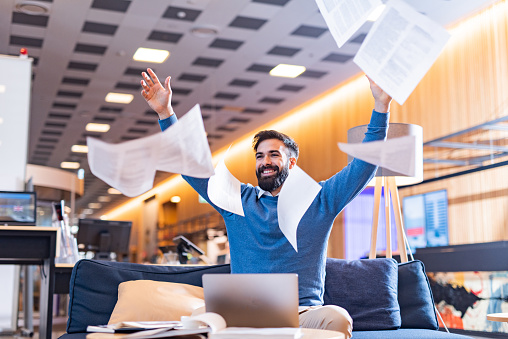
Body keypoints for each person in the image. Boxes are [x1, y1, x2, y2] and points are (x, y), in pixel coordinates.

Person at [140, 68, 392, 338]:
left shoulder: (319, 198)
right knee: (197, 319)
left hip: (302, 314)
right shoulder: (237, 200)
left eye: (274, 155)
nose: (265, 162)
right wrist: (166, 114)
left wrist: (381, 105)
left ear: (292, 163)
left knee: (338, 319)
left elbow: (364, 166)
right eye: (260, 156)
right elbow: (190, 166)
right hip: (241, 313)